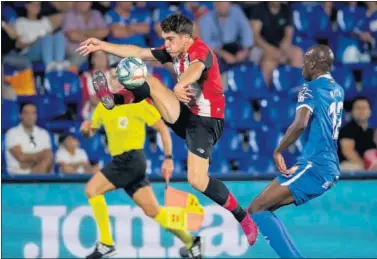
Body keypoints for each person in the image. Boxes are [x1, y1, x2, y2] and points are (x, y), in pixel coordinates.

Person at [77, 13, 258, 249]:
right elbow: (137, 52)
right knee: (150, 81)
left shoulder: (200, 50)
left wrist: (181, 84)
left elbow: (195, 69)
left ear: (186, 38)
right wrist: (103, 45)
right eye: (165, 39)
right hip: (184, 115)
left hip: (207, 122)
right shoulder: (174, 50)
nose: (167, 44)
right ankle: (113, 99)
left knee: (197, 180)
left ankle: (243, 217)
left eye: (171, 39)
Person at [80, 65, 200, 259]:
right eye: (113, 78)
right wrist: (86, 129)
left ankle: (106, 243)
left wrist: (168, 158)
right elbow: (90, 131)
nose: (115, 81)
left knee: (91, 190)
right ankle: (191, 242)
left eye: (119, 78)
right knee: (153, 211)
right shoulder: (103, 107)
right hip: (125, 162)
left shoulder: (137, 104)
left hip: (131, 159)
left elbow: (163, 128)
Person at [247, 45, 343, 258]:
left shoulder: (310, 88)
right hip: (327, 165)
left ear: (313, 64)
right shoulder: (338, 89)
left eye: (304, 62)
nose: (301, 67)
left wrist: (278, 150)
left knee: (256, 208)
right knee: (263, 209)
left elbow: (300, 124)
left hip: (315, 165)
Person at [5, 103, 53, 174]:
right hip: (17, 176)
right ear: (20, 115)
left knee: (48, 160)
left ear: (36, 116)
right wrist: (40, 157)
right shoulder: (11, 133)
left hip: (41, 172)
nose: (30, 116)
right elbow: (21, 157)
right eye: (26, 113)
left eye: (33, 113)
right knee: (45, 162)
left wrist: (27, 162)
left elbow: (48, 155)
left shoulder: (43, 133)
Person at [338, 97, 376, 171]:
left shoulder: (371, 131)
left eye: (364, 108)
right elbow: (348, 151)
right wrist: (366, 167)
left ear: (370, 111)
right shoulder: (347, 130)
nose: (361, 111)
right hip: (349, 165)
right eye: (358, 108)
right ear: (352, 111)